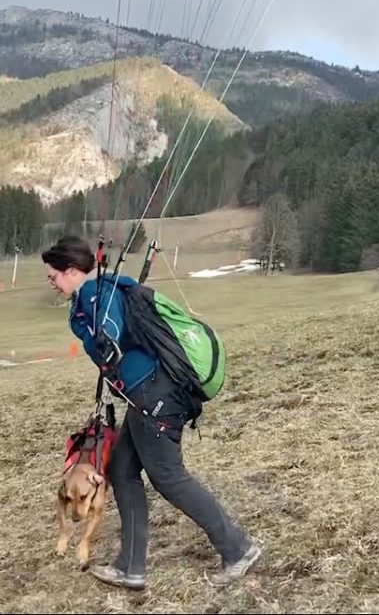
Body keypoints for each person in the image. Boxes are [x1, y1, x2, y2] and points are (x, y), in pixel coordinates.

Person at [42, 235, 261, 591]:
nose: (51, 283)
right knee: (121, 469)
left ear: (70, 270)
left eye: (53, 276)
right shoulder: (97, 294)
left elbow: (110, 337)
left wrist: (93, 324)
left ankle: (238, 548)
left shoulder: (100, 297)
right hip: (145, 395)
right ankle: (131, 566)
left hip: (157, 396)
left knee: (169, 477)